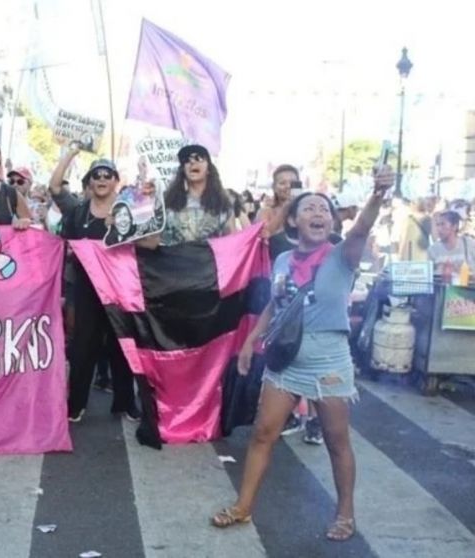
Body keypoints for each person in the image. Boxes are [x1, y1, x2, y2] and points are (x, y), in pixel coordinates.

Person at [211, 165, 396, 542]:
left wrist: (377, 196)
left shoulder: (343, 255)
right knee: (263, 433)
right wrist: (251, 341)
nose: (317, 214)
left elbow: (361, 228)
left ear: (331, 222)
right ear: (293, 220)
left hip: (328, 357)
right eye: (308, 209)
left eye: (324, 210)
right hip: (285, 359)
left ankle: (345, 512)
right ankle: (244, 506)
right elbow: (275, 306)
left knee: (335, 438)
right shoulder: (282, 261)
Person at [49, 142, 144, 426]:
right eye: (96, 175)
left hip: (120, 291)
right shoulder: (78, 211)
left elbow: (147, 240)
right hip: (87, 290)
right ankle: (76, 404)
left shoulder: (128, 211)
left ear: (116, 181)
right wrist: (71, 152)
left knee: (121, 347)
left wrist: (126, 227)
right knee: (83, 348)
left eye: (107, 175)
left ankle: (126, 403)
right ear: (89, 182)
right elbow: (55, 187)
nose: (101, 179)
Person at [138, 144, 234, 248]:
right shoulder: (168, 203)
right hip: (174, 263)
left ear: (209, 169)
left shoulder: (223, 206)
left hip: (208, 263)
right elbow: (152, 242)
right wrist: (145, 200)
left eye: (198, 158)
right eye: (186, 160)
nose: (192, 162)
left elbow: (233, 245)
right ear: (183, 170)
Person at [428, 210, 475, 281]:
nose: (439, 229)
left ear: (454, 226)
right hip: (443, 290)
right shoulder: (433, 250)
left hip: (468, 290)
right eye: (437, 225)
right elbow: (430, 277)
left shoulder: (469, 244)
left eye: (443, 224)